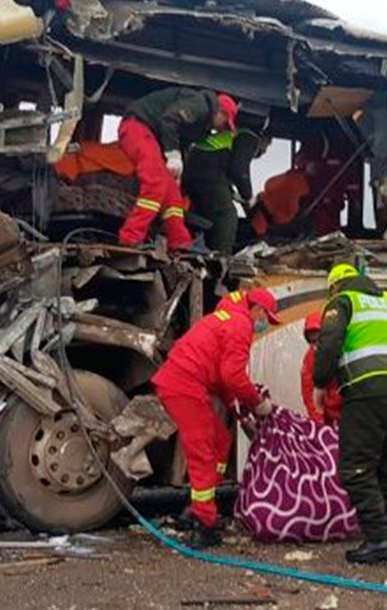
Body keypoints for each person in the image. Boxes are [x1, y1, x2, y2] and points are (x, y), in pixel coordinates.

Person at [151, 287, 279, 548]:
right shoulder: (240, 325)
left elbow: (223, 378)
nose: (264, 325)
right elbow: (233, 376)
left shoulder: (225, 320)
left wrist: (237, 408)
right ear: (258, 310)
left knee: (220, 441)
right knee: (203, 452)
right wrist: (257, 403)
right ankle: (204, 524)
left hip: (181, 383)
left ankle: (201, 505)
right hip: (183, 387)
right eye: (267, 317)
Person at [312, 263, 387, 564]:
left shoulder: (344, 301)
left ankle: (378, 539)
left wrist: (321, 383)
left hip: (368, 390)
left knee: (356, 466)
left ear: (334, 286)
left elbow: (329, 343)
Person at [117, 88, 239, 251]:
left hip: (150, 137)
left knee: (173, 195)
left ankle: (180, 243)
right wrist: (173, 155)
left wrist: (177, 168)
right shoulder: (200, 105)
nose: (221, 129)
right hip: (137, 127)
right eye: (224, 124)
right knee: (155, 183)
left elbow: (181, 141)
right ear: (221, 112)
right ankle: (130, 237)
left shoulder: (201, 127)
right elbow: (169, 120)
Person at [182, 127, 264, 254]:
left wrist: (232, 193)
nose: (263, 152)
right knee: (226, 215)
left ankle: (205, 250)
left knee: (208, 216)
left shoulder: (231, 137)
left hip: (193, 169)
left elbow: (223, 169)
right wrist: (248, 196)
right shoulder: (250, 138)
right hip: (206, 171)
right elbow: (239, 171)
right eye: (267, 146)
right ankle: (222, 256)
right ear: (264, 140)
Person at [299, 311, 343, 425]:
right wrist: (318, 421)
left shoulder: (344, 350)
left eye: (319, 340)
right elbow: (308, 392)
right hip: (330, 416)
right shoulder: (310, 358)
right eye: (312, 341)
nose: (316, 345)